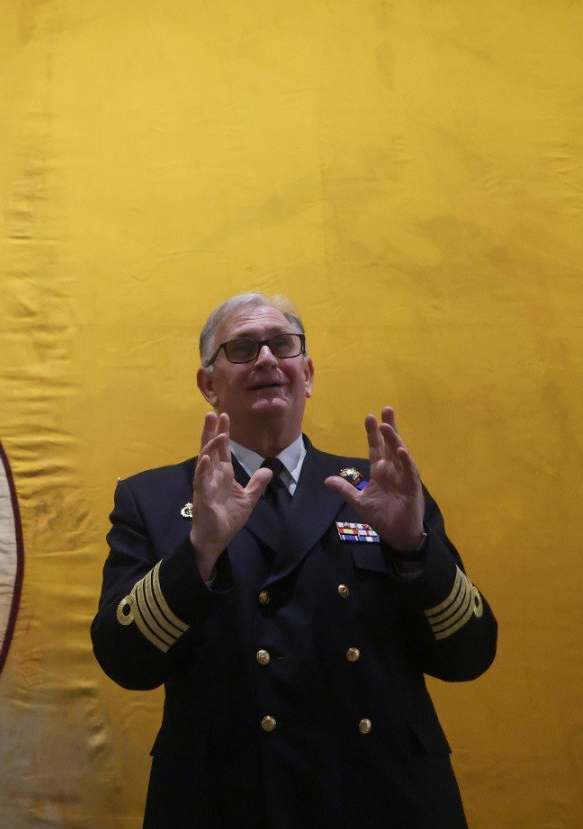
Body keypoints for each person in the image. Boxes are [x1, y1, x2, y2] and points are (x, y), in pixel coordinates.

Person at [90, 293, 497, 827]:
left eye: (282, 345)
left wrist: (414, 549)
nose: (265, 359)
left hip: (382, 795)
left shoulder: (381, 487)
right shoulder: (156, 499)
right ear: (209, 385)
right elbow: (126, 663)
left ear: (306, 372)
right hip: (227, 799)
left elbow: (469, 655)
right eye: (241, 348)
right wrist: (200, 552)